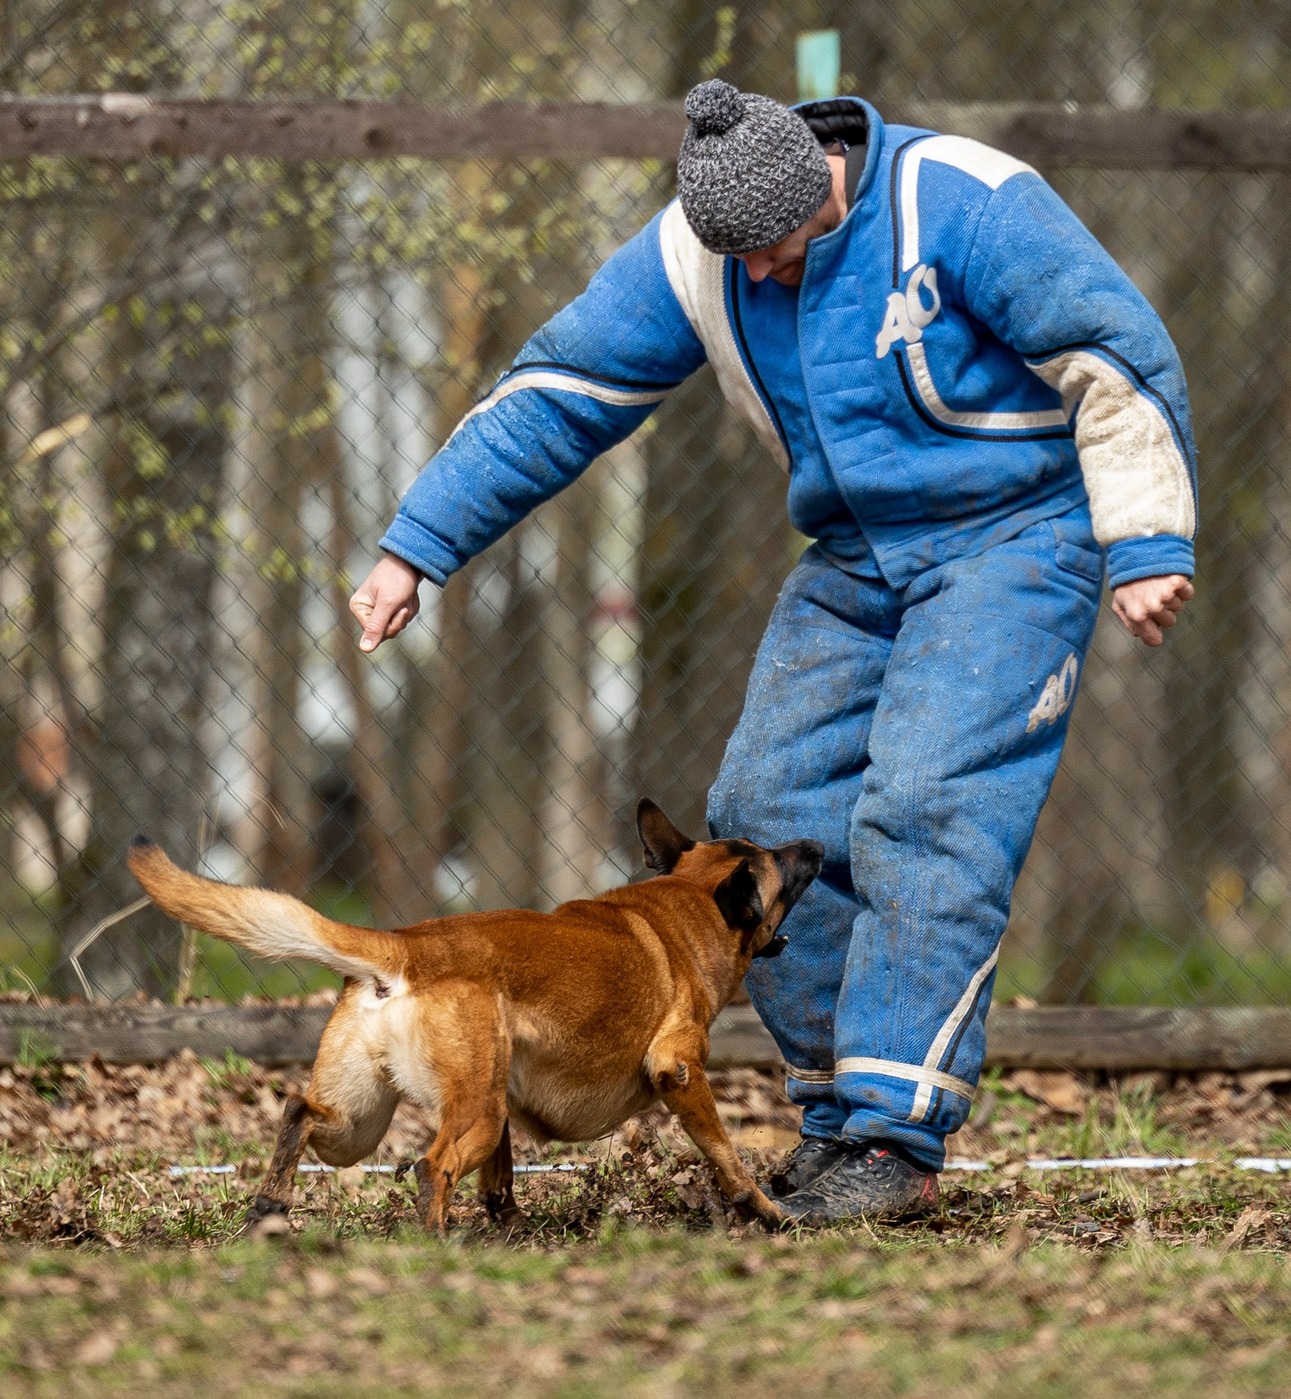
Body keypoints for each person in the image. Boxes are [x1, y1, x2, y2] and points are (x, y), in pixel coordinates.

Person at [348, 79, 1196, 1225]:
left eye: (777, 253)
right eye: (731, 255)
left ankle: (896, 1140)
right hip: (854, 553)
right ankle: (838, 1114)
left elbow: (1114, 352)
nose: (754, 277)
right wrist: (416, 548)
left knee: (928, 805)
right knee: (760, 819)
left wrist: (1143, 538)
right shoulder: (700, 250)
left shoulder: (968, 203)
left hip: (1015, 538)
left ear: (828, 192)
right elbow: (557, 393)